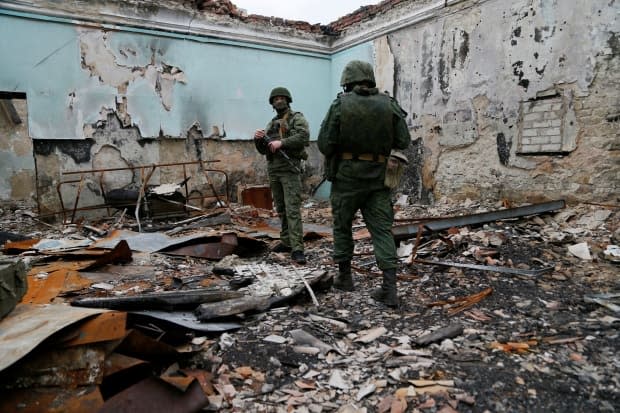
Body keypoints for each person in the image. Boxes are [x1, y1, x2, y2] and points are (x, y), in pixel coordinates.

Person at [317, 60, 411, 307]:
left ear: (347, 81)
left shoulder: (340, 104)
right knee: (381, 230)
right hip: (378, 179)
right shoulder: (388, 104)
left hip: (346, 178)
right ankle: (389, 289)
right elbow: (403, 139)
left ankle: (345, 277)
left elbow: (325, 144)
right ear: (370, 79)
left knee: (342, 226)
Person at [254, 87, 310, 264]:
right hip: (274, 170)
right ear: (272, 103)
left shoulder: (296, 118)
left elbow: (303, 137)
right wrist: (258, 139)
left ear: (288, 100)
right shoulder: (271, 124)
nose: (278, 101)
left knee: (292, 208)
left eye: (281, 98)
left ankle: (297, 248)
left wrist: (282, 142)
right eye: (275, 99)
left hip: (289, 168)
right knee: (281, 208)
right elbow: (265, 150)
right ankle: (286, 241)